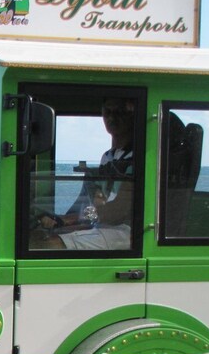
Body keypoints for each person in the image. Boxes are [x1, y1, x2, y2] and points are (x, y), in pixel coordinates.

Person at [36, 97, 135, 250]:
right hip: (105, 225)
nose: (112, 117)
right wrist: (65, 220)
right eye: (107, 112)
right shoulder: (108, 157)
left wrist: (70, 219)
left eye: (119, 112)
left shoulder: (136, 158)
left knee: (48, 245)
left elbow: (118, 211)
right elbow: (97, 202)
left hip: (126, 231)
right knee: (38, 236)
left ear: (131, 115)